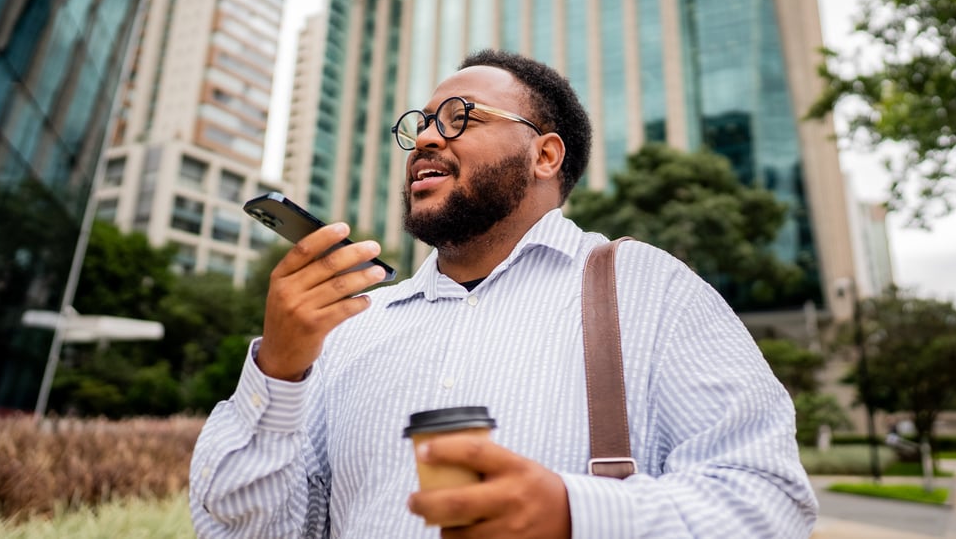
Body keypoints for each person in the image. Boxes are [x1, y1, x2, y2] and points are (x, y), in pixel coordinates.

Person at [190, 50, 817, 538]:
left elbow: (770, 502)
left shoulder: (649, 289)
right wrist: (279, 371)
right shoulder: (355, 323)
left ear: (545, 155)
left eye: (460, 118)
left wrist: (574, 515)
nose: (429, 138)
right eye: (423, 124)